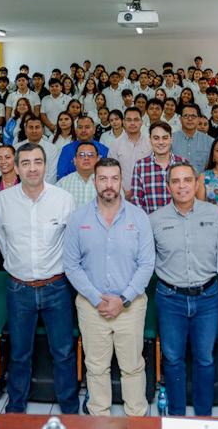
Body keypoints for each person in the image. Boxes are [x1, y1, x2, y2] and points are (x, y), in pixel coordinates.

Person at [0, 144, 80, 413]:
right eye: (26, 163)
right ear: (17, 168)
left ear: (45, 165)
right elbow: (2, 242)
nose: (33, 168)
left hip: (57, 287)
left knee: (63, 352)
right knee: (20, 353)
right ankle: (16, 409)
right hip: (19, 288)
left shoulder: (63, 199)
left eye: (38, 162)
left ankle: (69, 409)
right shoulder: (2, 201)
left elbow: (71, 243)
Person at [64, 158, 154, 416]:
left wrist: (123, 299)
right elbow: (71, 265)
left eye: (114, 178)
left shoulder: (139, 217)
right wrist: (97, 299)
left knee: (132, 366)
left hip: (131, 306)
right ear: (95, 182)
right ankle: (98, 418)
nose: (109, 184)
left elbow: (147, 264)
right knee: (96, 367)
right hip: (92, 306)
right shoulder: (78, 218)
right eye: (103, 178)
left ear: (121, 181)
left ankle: (136, 417)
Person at [150, 163, 218, 416]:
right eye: (176, 181)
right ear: (168, 186)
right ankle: (177, 415)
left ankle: (203, 416)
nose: (182, 186)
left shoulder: (217, 214)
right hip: (170, 298)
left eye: (187, 180)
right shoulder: (155, 219)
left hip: (208, 297)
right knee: (172, 358)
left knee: (205, 358)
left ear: (196, 183)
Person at [129, 122, 186, 215]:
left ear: (171, 139)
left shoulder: (183, 163)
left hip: (180, 221)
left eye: (165, 138)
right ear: (150, 140)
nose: (161, 142)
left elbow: (189, 197)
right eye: (156, 138)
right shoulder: (140, 166)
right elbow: (136, 201)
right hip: (150, 222)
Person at [56, 115, 109, 180]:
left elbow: (107, 174)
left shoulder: (104, 150)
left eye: (87, 127)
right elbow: (61, 176)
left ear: (94, 130)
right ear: (76, 130)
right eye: (80, 127)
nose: (83, 130)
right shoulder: (67, 150)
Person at [16, 115, 60, 184]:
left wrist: (40, 188)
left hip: (46, 187)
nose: (34, 131)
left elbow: (52, 175)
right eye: (31, 127)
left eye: (37, 127)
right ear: (25, 130)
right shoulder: (17, 148)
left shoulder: (52, 149)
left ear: (42, 130)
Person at [171, 104, 213, 173]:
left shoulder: (210, 141)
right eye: (186, 116)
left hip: (201, 179)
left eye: (193, 116)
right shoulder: (170, 139)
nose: (190, 119)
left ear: (198, 119)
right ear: (180, 119)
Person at [57, 141, 99, 208]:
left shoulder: (108, 183)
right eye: (81, 155)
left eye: (91, 155)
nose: (86, 158)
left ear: (98, 160)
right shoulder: (62, 184)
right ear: (75, 160)